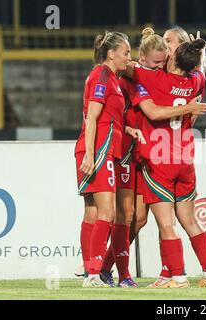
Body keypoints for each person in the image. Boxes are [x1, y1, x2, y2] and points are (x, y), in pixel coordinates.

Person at [99, 28, 206, 287]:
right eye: (165, 42)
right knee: (133, 217)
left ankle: (168, 272)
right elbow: (145, 105)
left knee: (151, 218)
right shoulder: (143, 74)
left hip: (158, 155)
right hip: (133, 149)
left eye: (171, 43)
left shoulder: (177, 80)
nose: (166, 47)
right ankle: (109, 268)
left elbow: (190, 107)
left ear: (179, 51)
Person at [125, 31, 206, 288]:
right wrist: (202, 53)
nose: (165, 52)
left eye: (169, 48)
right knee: (190, 220)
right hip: (184, 159)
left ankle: (177, 277)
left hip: (160, 160)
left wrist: (135, 51)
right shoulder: (195, 81)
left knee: (166, 224)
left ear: (173, 59)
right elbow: (201, 71)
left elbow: (125, 66)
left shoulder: (155, 78)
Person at [75, 31, 131, 288]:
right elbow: (92, 118)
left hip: (98, 148)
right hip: (98, 150)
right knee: (107, 212)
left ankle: (90, 272)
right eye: (126, 52)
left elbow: (107, 116)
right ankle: (95, 273)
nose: (129, 58)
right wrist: (91, 153)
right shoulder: (103, 75)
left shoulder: (109, 78)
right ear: (111, 53)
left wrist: (128, 130)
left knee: (93, 212)